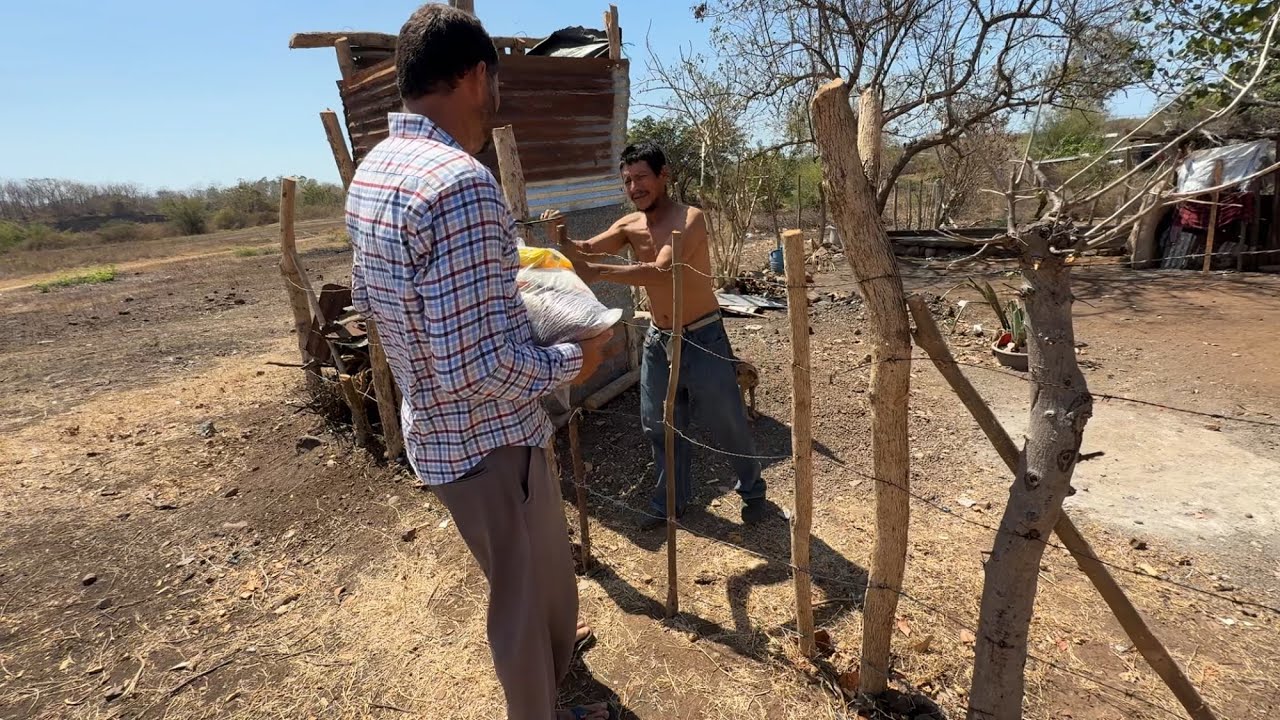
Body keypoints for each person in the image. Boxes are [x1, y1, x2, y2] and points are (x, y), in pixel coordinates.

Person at [344, 5, 615, 720]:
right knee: (521, 605)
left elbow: (377, 300)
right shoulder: (459, 185)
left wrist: (494, 301)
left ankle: (551, 689)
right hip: (489, 441)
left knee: (524, 583)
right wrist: (572, 357)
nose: (496, 98)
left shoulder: (374, 172)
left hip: (436, 433)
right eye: (493, 79)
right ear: (471, 75)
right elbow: (476, 369)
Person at [556, 142, 770, 530]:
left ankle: (753, 492)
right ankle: (670, 502)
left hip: (703, 337)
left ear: (663, 175)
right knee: (658, 425)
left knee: (727, 422)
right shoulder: (629, 225)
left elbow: (660, 272)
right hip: (659, 339)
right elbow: (587, 248)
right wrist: (564, 241)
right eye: (627, 181)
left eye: (641, 177)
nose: (634, 187)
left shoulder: (690, 220)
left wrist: (599, 272)